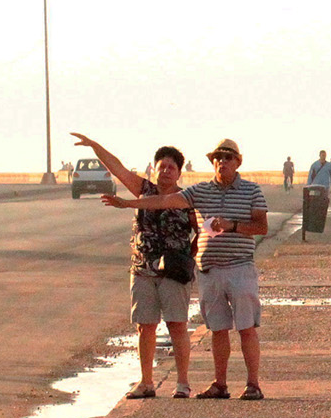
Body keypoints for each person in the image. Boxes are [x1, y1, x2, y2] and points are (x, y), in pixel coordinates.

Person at [107, 137, 270, 400]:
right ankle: (220, 384)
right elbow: (163, 202)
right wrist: (128, 204)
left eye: (228, 157)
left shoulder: (252, 191)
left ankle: (253, 384)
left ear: (238, 161)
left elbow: (261, 227)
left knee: (246, 327)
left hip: (240, 268)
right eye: (217, 158)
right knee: (218, 329)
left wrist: (232, 226)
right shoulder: (200, 191)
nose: (222, 162)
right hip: (209, 270)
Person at [71, 132, 196, 400]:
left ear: (179, 172)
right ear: (155, 169)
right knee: (145, 326)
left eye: (171, 167)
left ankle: (183, 383)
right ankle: (147, 382)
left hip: (174, 271)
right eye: (161, 166)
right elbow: (117, 168)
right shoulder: (144, 190)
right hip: (142, 269)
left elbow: (202, 231)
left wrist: (193, 260)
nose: (165, 171)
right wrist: (95, 146)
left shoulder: (188, 198)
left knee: (177, 325)